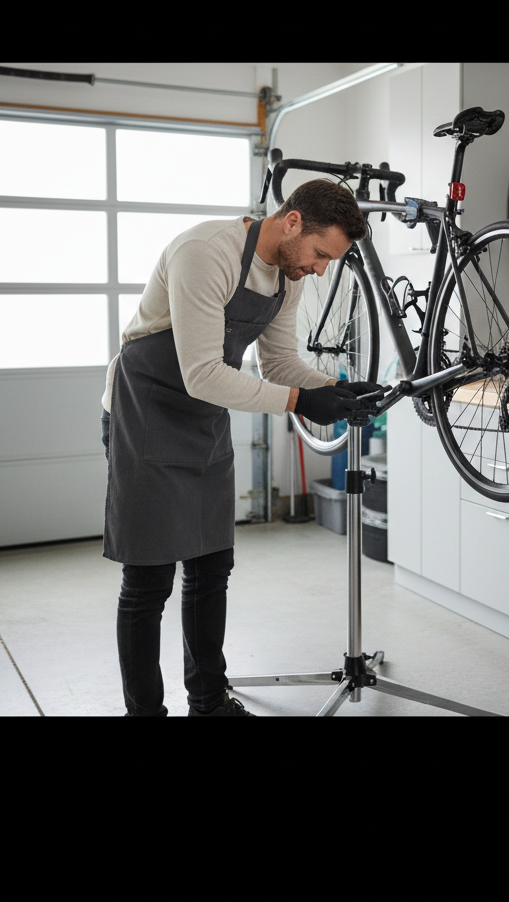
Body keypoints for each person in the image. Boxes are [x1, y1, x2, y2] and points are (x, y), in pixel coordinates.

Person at [100, 179, 385, 716]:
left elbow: (278, 366)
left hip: (202, 417)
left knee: (211, 568)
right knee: (148, 580)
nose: (321, 269)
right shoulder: (205, 253)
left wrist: (334, 389)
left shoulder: (288, 276)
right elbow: (203, 372)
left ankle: (209, 703)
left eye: (331, 262)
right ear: (293, 221)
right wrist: (300, 402)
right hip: (146, 414)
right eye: (322, 254)